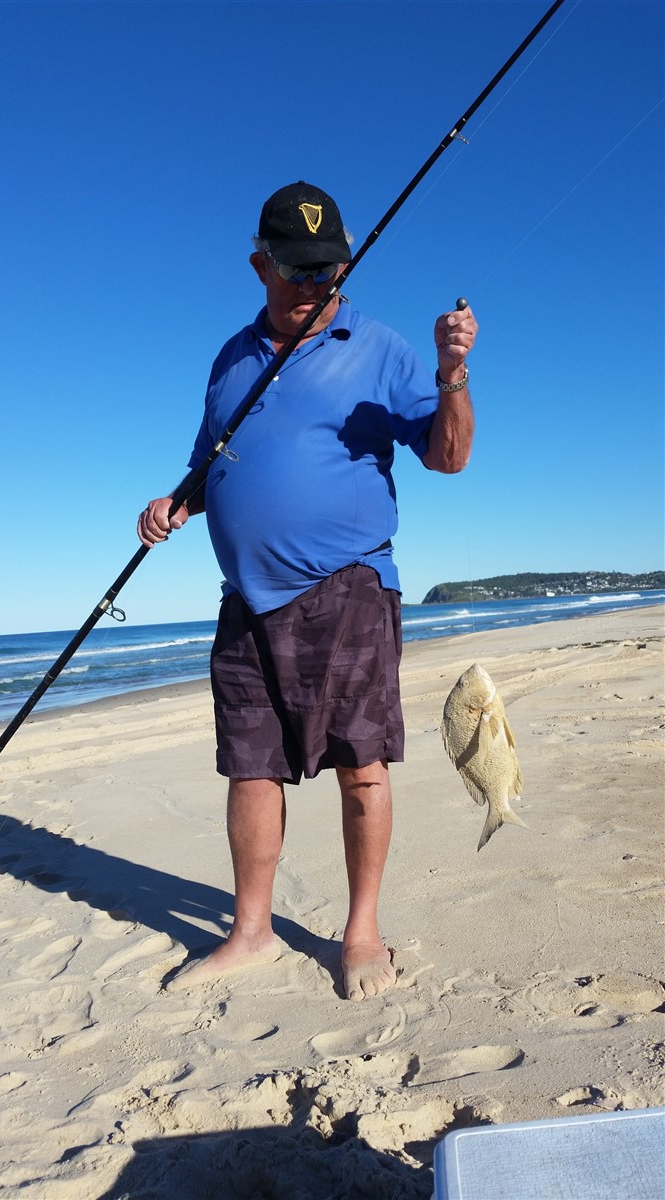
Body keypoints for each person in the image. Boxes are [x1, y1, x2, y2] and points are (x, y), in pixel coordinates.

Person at [138, 182, 477, 1001]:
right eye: (296, 273)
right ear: (260, 265)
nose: (314, 288)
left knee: (361, 766)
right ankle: (249, 932)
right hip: (245, 596)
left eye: (328, 271)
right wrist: (174, 501)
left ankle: (360, 933)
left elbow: (447, 457)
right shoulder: (231, 355)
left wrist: (451, 375)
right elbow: (211, 457)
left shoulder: (382, 346)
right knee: (250, 768)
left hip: (347, 585)